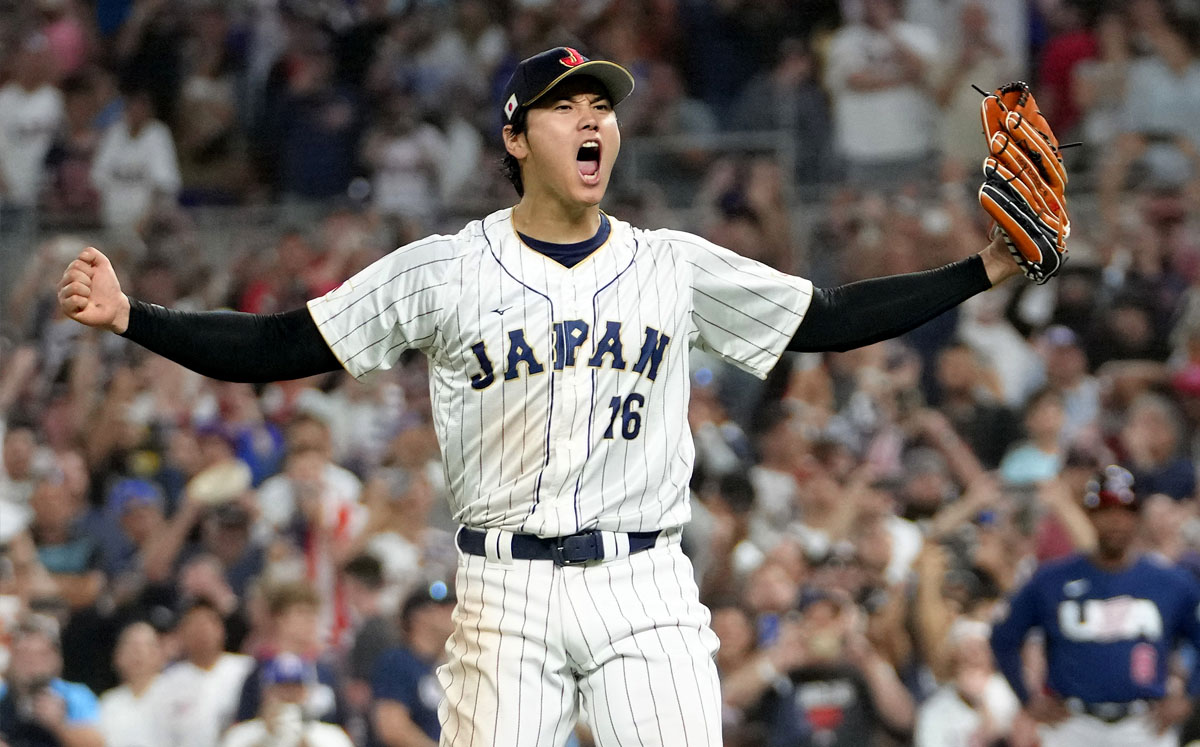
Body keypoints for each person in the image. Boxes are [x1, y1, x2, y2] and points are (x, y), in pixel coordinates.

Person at [60, 45, 1026, 746]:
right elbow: (279, 344)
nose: (593, 119)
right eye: (567, 106)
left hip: (644, 582)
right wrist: (132, 316)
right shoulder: (445, 270)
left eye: (602, 105)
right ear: (516, 137)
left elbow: (828, 314)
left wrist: (984, 267)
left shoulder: (669, 265)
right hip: (502, 587)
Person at [990, 465, 1200, 747]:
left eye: (1125, 511)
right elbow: (1003, 638)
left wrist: (1189, 697)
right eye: (1106, 511)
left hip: (1144, 724)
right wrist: (1028, 698)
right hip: (1072, 723)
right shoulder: (1051, 579)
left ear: (1137, 517)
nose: (1116, 522)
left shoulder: (1170, 582)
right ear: (1089, 515)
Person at [370, 581, 456, 747]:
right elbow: (392, 728)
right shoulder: (396, 662)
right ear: (418, 616)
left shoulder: (448, 666)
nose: (452, 613)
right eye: (443, 607)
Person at [0, 617, 104, 747]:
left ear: (56, 659)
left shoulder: (75, 695)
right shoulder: (2, 694)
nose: (30, 662)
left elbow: (96, 743)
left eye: (40, 654)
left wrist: (58, 725)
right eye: (23, 653)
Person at [220, 653, 354, 747]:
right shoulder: (240, 734)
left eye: (295, 688)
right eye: (281, 688)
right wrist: (265, 739)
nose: (288, 696)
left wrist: (303, 742)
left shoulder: (332, 736)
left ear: (307, 692)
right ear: (266, 692)